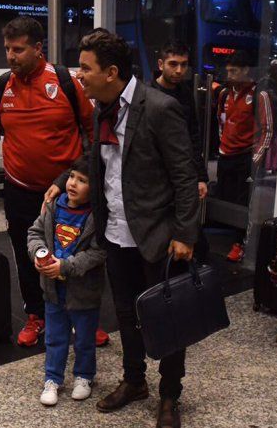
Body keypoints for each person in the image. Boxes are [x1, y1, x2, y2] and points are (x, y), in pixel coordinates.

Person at [75, 29, 198, 428]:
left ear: (111, 72)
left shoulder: (160, 108)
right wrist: (63, 182)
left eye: (85, 68)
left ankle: (169, 394)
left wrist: (185, 234)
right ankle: (134, 381)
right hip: (115, 234)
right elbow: (99, 163)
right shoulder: (102, 109)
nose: (79, 75)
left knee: (168, 319)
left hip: (157, 236)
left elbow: (185, 177)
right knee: (126, 314)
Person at [0, 16, 109, 348]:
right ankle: (37, 315)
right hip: (20, 190)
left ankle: (82, 318)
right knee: (29, 253)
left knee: (74, 254)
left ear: (38, 48)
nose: (10, 56)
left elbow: (94, 131)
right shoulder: (1, 86)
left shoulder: (66, 81)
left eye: (18, 49)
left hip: (68, 194)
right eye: (7, 49)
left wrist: (84, 176)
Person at [27, 156, 106, 406]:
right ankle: (53, 379)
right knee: (54, 337)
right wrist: (38, 254)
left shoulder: (96, 217)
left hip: (83, 291)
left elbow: (98, 252)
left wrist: (65, 266)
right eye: (72, 177)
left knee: (84, 338)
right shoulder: (53, 207)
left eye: (82, 180)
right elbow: (34, 233)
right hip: (53, 289)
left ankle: (84, 376)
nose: (72, 183)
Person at [149, 40, 210, 263]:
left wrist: (201, 176)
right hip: (158, 175)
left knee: (194, 240)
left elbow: (193, 135)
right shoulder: (148, 93)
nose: (179, 70)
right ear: (161, 64)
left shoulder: (185, 93)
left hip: (183, 170)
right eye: (173, 64)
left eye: (183, 65)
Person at [216, 50, 275, 262]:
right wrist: (223, 145)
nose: (229, 75)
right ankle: (228, 237)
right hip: (225, 155)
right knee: (226, 198)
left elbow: (268, 130)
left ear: (245, 70)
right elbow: (221, 120)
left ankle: (239, 243)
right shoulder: (225, 93)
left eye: (234, 71)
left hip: (244, 157)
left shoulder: (260, 94)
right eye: (228, 71)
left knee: (243, 203)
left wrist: (255, 160)